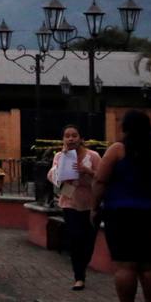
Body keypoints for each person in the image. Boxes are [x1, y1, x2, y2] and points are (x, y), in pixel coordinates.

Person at [92, 109, 151, 302]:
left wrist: (94, 207)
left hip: (122, 213)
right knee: (150, 266)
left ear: (125, 128)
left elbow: (100, 180)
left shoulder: (118, 150)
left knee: (125, 266)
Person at [47, 125, 101, 291]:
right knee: (75, 238)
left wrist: (88, 171)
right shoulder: (59, 156)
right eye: (67, 136)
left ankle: (83, 265)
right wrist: (63, 162)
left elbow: (102, 178)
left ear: (81, 138)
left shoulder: (93, 156)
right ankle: (79, 277)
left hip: (91, 204)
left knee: (89, 240)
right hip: (70, 201)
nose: (70, 139)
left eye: (74, 135)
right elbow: (52, 177)